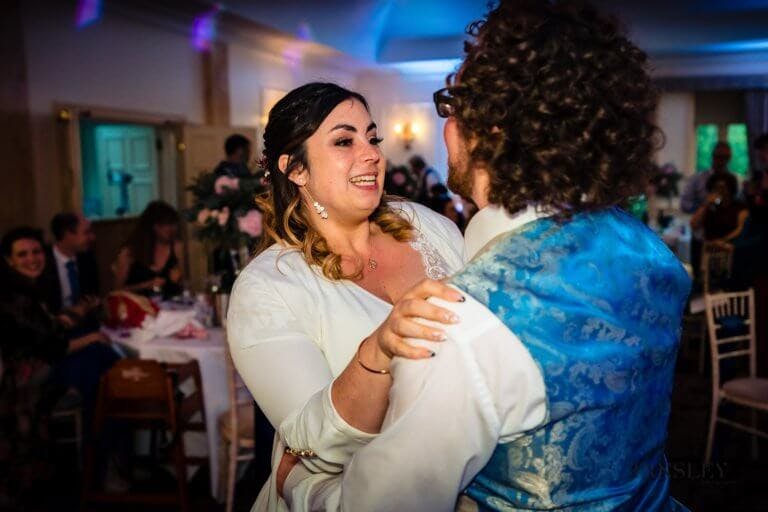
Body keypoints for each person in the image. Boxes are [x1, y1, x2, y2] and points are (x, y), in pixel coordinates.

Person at [278, 1, 692, 510]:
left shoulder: (461, 324)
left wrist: (303, 486)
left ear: (490, 128)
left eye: (452, 103)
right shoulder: (651, 253)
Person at [225, 82, 467, 511]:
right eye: (344, 141)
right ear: (296, 170)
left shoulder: (429, 227)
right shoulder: (267, 287)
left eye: (373, 138)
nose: (372, 154)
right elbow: (312, 446)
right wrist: (378, 352)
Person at [0, 227, 119, 505]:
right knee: (97, 365)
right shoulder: (15, 295)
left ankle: (102, 459)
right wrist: (89, 336)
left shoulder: (28, 288)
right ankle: (102, 461)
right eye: (22, 254)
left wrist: (75, 316)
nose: (32, 259)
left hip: (36, 369)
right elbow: (54, 346)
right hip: (23, 381)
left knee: (98, 361)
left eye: (36, 252)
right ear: (9, 261)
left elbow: (50, 329)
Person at [681, 141, 736, 278]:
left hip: (724, 240)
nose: (721, 161)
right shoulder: (698, 178)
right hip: (702, 237)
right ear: (713, 156)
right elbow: (685, 205)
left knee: (722, 278)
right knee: (700, 278)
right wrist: (704, 206)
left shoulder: (732, 180)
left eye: (725, 157)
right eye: (718, 156)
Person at [112, 200, 185, 299]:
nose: (172, 229)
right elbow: (116, 291)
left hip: (171, 305)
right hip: (139, 305)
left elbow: (183, 287)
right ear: (154, 226)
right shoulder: (130, 252)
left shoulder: (177, 247)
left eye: (173, 224)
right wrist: (145, 285)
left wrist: (179, 280)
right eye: (167, 224)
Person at [39, 213, 101, 325]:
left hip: (84, 322)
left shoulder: (87, 258)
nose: (93, 237)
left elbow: (93, 294)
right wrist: (70, 313)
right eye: (86, 232)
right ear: (68, 234)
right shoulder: (41, 261)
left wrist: (90, 303)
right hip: (53, 326)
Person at [690, 172, 748, 247]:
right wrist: (706, 205)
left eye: (722, 188)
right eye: (715, 188)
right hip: (710, 248)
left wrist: (722, 240)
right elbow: (694, 225)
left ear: (730, 189)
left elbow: (741, 229)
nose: (719, 191)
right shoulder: (710, 206)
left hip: (730, 247)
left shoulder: (739, 207)